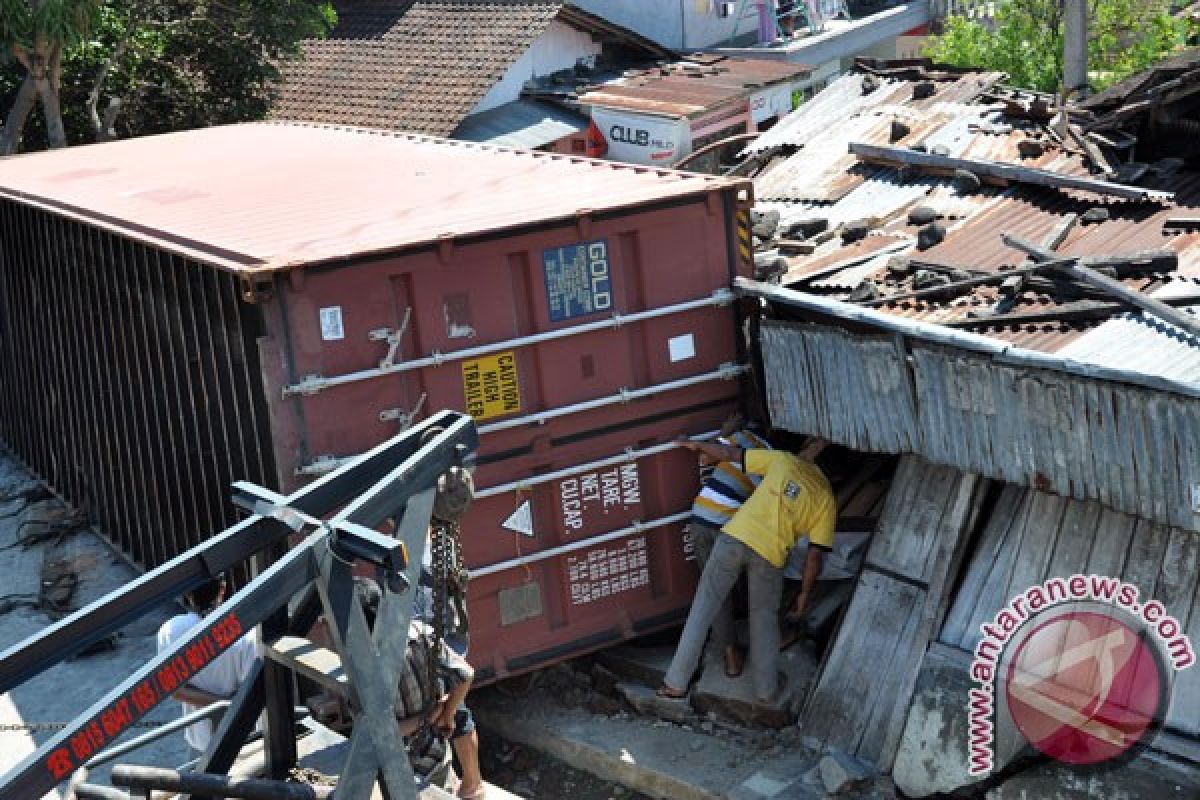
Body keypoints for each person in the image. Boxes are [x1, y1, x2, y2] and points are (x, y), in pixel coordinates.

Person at [661, 441, 835, 704]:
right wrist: (804, 593)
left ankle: (675, 684)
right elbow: (814, 556)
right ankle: (766, 691)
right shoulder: (826, 499)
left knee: (703, 608)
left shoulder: (784, 460)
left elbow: (731, 454)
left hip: (734, 538)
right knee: (763, 621)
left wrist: (699, 444)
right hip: (770, 555)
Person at [686, 423, 772, 678]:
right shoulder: (772, 458)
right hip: (726, 526)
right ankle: (759, 645)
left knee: (715, 591)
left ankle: (730, 655)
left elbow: (705, 456)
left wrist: (724, 431)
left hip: (699, 518)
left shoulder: (742, 437)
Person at [156, 575, 258, 759]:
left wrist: (216, 703)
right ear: (222, 589)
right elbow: (249, 694)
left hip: (199, 742)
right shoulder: (245, 634)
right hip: (243, 741)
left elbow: (175, 691)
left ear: (188, 593)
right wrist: (227, 704)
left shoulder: (170, 631)